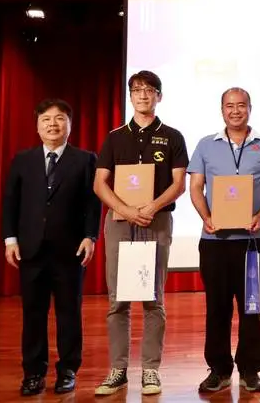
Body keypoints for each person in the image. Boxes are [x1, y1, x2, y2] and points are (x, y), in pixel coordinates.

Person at [92, 71, 188, 396]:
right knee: (117, 300)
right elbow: (99, 183)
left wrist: (151, 208)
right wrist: (127, 210)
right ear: (130, 96)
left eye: (149, 90)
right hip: (120, 222)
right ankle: (118, 369)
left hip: (156, 221)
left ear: (159, 96)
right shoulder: (115, 137)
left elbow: (179, 183)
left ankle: (150, 370)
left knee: (153, 298)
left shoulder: (172, 136)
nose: (143, 95)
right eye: (137, 90)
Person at [188, 87, 260, 394]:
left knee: (252, 307)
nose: (235, 111)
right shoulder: (206, 145)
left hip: (254, 241)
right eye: (229, 106)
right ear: (222, 110)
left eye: (241, 105)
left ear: (249, 108)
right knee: (217, 307)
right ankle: (219, 369)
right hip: (215, 240)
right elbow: (196, 187)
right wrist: (206, 217)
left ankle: (250, 369)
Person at [1, 99, 100, 396]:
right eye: (46, 119)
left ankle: (68, 370)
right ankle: (33, 373)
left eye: (59, 119)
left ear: (69, 125)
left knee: (69, 313)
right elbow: (10, 202)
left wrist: (90, 236)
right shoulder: (23, 160)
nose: (53, 124)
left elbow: (92, 203)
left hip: (70, 250)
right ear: (37, 126)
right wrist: (10, 239)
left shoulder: (85, 160)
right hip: (31, 249)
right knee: (33, 313)